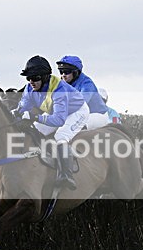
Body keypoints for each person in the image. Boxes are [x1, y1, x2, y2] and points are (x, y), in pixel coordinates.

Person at [14, 55, 89, 190]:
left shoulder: (59, 90)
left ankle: (66, 175)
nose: (31, 81)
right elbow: (23, 108)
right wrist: (15, 114)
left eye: (35, 78)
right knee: (35, 130)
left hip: (76, 112)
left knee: (61, 136)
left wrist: (34, 117)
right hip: (56, 112)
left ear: (44, 77)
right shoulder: (29, 88)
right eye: (28, 78)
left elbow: (59, 120)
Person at [55, 56, 110, 130]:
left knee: (73, 126)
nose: (63, 75)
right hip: (80, 115)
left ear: (76, 72)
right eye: (61, 72)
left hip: (97, 116)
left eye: (67, 72)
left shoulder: (87, 84)